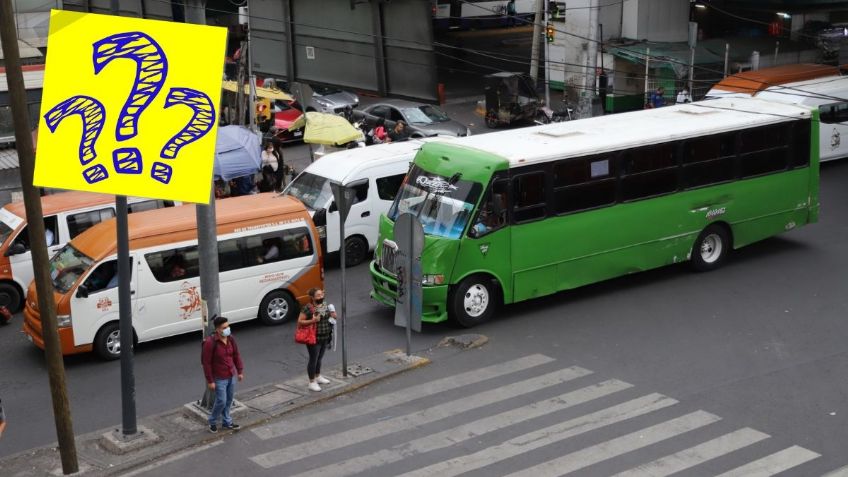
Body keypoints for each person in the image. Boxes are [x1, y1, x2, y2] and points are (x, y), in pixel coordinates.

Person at [201, 316, 244, 433]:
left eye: (228, 326)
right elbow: (206, 363)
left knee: (229, 400)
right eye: (224, 327)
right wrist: (210, 381)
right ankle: (212, 421)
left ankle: (227, 422)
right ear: (218, 329)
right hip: (219, 378)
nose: (227, 329)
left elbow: (236, 355)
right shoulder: (210, 343)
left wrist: (239, 371)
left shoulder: (231, 339)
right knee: (221, 401)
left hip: (231, 375)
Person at [298, 288, 337, 392]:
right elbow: (300, 321)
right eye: (318, 295)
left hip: (325, 337)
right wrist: (313, 320)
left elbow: (330, 318)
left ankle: (318, 376)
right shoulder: (308, 308)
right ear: (312, 297)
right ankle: (312, 382)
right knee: (313, 359)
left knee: (319, 358)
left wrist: (333, 316)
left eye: (322, 294)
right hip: (314, 339)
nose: (321, 297)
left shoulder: (325, 305)